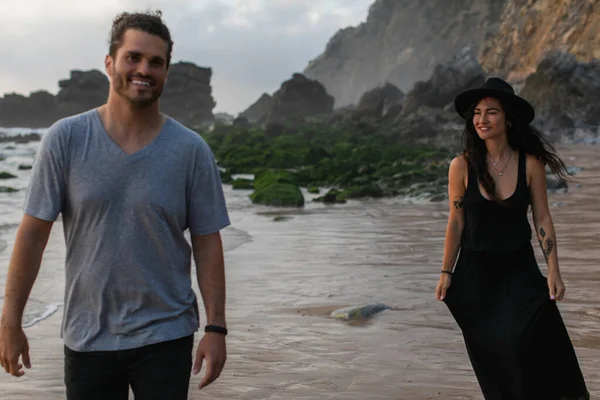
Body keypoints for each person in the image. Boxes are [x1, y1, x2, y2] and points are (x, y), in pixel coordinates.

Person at [0, 10, 230, 400]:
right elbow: (33, 234)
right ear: (110, 63)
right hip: (87, 335)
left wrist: (216, 328)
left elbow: (208, 242)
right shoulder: (65, 139)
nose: (144, 69)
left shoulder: (191, 151)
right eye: (133, 57)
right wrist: (9, 322)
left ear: (166, 72)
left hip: (166, 334)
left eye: (156, 62)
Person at [435, 77, 590, 400]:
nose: (482, 119)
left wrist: (554, 270)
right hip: (476, 272)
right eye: (477, 113)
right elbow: (457, 220)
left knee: (534, 344)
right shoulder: (461, 166)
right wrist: (446, 271)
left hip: (519, 268)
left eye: (491, 112)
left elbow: (542, 218)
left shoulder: (530, 164)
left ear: (507, 119)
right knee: (495, 354)